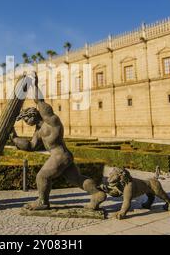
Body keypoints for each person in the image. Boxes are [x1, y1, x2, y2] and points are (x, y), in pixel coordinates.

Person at [10, 72, 106, 210]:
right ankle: (97, 193)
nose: (26, 122)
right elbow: (30, 146)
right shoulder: (38, 130)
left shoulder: (50, 120)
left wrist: (34, 85)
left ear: (33, 114)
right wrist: (14, 138)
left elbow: (40, 102)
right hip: (64, 156)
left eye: (26, 119)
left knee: (42, 177)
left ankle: (43, 202)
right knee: (77, 179)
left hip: (59, 156)